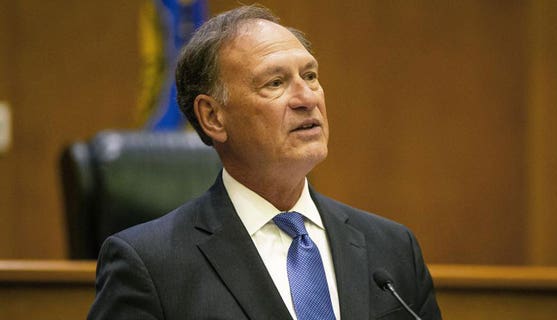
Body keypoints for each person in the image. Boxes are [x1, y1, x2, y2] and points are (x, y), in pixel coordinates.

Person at [88, 5, 441, 320]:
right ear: (213, 117)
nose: (306, 98)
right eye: (275, 83)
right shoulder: (151, 265)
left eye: (310, 76)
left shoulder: (393, 249)